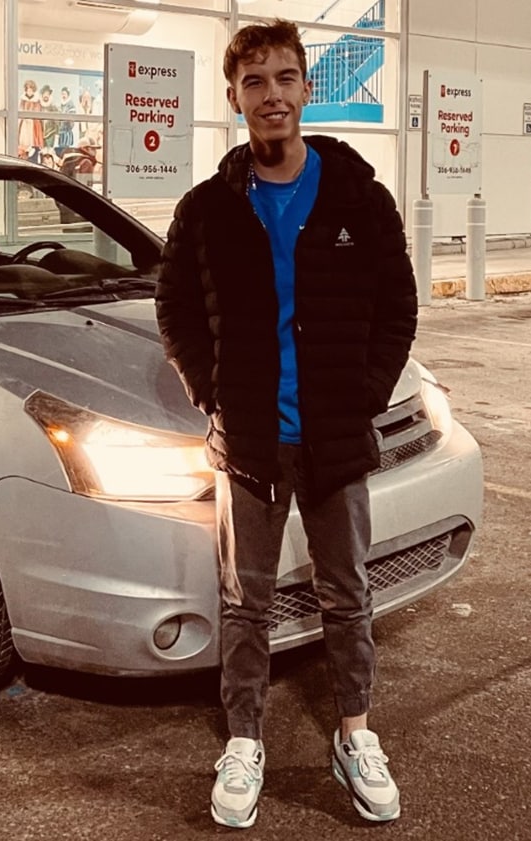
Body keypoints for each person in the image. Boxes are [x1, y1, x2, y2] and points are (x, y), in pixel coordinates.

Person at [154, 18, 416, 829]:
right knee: (246, 600)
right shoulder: (206, 210)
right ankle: (243, 739)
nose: (272, 95)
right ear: (234, 99)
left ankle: (355, 734)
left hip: (335, 438)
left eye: (285, 78)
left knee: (347, 595)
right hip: (252, 443)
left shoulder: (356, 197)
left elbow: (398, 306)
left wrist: (364, 393)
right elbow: (175, 311)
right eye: (255, 82)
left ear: (307, 89)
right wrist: (211, 393)